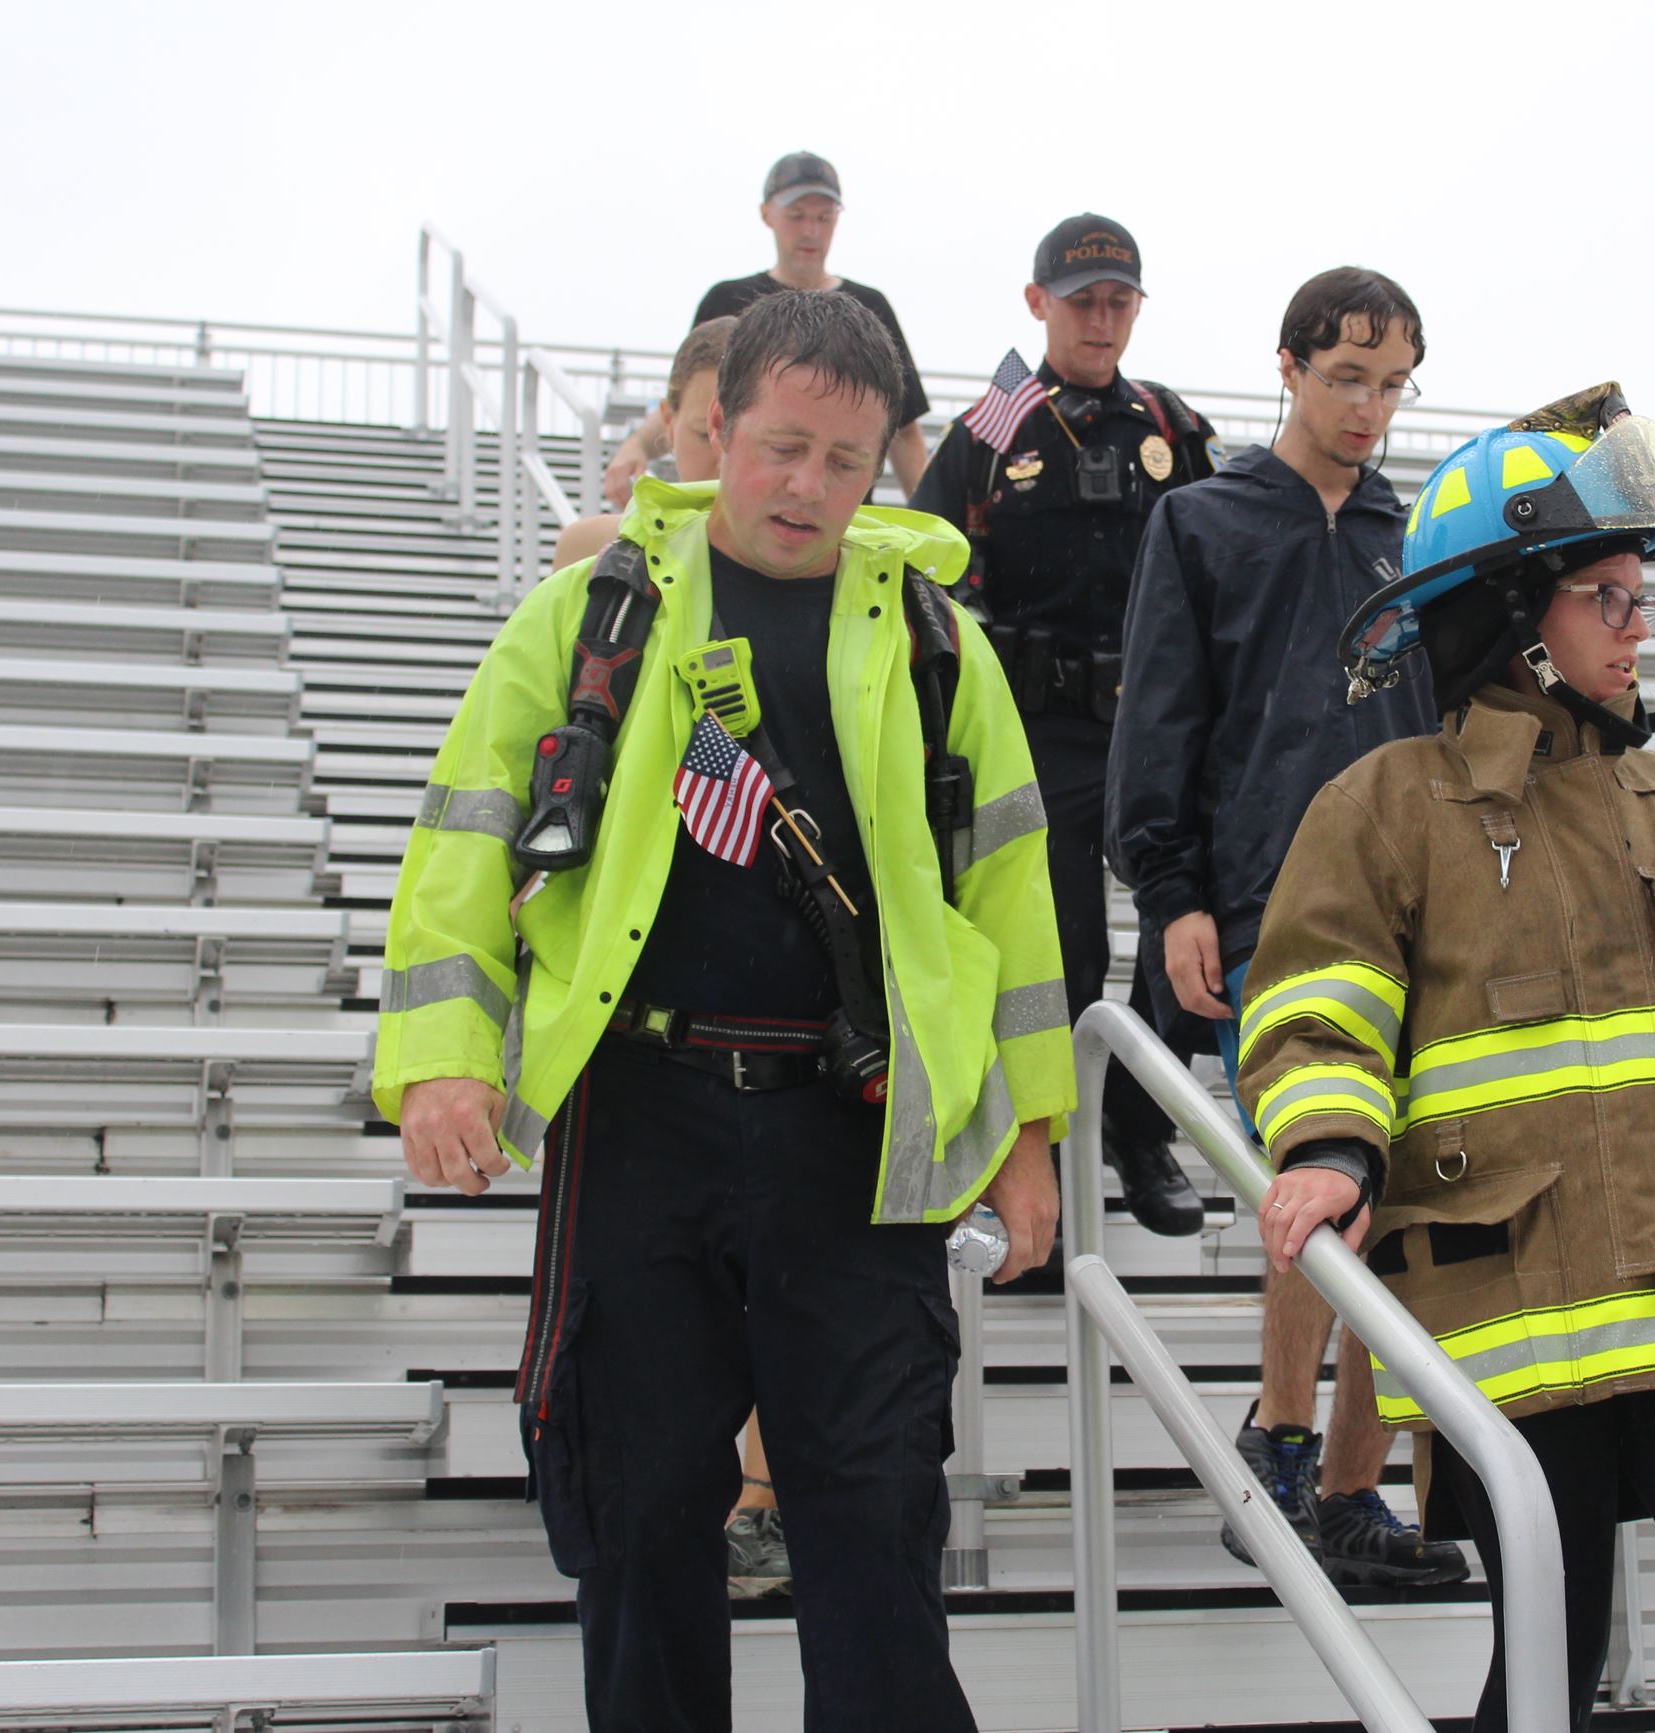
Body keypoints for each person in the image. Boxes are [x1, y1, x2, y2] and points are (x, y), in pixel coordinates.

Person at [375, 290, 1072, 1732]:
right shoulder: (592, 612)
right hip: (641, 1121)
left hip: (859, 1135)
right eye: (780, 446)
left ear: (884, 458)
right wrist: (443, 1064)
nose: (807, 485)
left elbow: (1013, 909)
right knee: (641, 1510)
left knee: (876, 1513)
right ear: (715, 431)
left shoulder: (944, 643)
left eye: (844, 458)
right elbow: (461, 841)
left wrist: (1031, 1131)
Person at [1235, 388, 1655, 1733]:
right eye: (1607, 598)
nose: (1638, 627)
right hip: (1523, 1323)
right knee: (1540, 1685)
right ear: (1514, 618)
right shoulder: (1384, 807)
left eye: (1642, 597)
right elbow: (1316, 1013)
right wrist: (1329, 1148)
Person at [1107, 266, 1464, 1589]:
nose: (1369, 408)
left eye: (1391, 384)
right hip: (1265, 902)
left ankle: (1343, 1480)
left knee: (1401, 1198)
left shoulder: (1414, 540)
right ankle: (1283, 1435)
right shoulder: (1202, 521)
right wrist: (1173, 894)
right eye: (1346, 378)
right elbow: (1161, 726)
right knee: (1333, 1179)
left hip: (1412, 911)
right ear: (1289, 367)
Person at [910, 212, 1218, 1238]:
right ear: (1038, 302)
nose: (1100, 318)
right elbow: (920, 558)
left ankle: (1140, 1129)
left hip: (1154, 728)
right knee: (1063, 955)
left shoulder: (1169, 424)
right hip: (1037, 728)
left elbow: (1227, 561)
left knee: (1183, 940)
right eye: (1081, 300)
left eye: (1118, 301)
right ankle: (1054, 1166)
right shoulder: (1001, 419)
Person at [602, 151, 932, 502]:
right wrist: (635, 445)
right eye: (797, 216)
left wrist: (931, 518)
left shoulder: (871, 308)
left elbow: (904, 429)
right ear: (766, 214)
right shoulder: (726, 300)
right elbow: (690, 400)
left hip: (836, 517)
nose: (810, 231)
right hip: (739, 510)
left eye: (823, 218)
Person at [553, 316, 731, 571]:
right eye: (704, 434)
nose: (724, 460)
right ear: (668, 421)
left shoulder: (801, 561)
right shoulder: (586, 548)